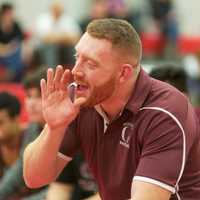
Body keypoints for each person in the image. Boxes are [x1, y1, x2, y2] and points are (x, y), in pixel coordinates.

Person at [23, 18, 200, 200]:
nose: (76, 71)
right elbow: (34, 178)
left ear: (124, 73)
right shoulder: (81, 99)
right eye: (78, 57)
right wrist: (54, 128)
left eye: (90, 64)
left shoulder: (164, 112)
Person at [0, 69, 48, 200]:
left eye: (39, 96)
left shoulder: (69, 129)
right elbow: (21, 168)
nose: (31, 103)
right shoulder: (33, 127)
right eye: (28, 96)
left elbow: (62, 188)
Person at [34, 0, 81, 68]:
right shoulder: (43, 19)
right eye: (56, 8)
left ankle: (76, 70)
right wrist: (64, 37)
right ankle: (52, 72)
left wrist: (56, 37)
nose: (58, 10)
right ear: (51, 8)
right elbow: (45, 38)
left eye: (59, 8)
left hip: (64, 47)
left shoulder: (68, 19)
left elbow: (76, 38)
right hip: (44, 47)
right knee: (51, 46)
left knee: (74, 48)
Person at [0, 3, 25, 82]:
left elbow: (20, 39)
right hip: (1, 52)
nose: (11, 16)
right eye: (9, 13)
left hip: (11, 53)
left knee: (19, 52)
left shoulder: (15, 25)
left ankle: (10, 76)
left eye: (11, 13)